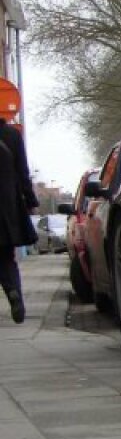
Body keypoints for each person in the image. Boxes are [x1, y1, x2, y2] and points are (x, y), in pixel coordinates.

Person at [0, 116, 38, 323]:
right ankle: (14, 292)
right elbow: (23, 174)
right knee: (6, 259)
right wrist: (30, 200)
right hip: (6, 210)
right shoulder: (12, 135)